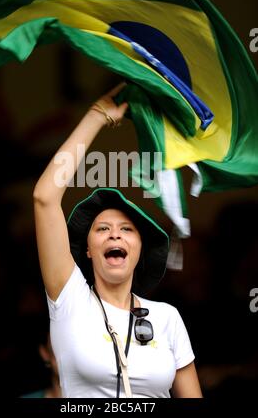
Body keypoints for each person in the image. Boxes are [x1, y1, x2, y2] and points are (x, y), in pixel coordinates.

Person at [33, 83, 202, 398]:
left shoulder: (167, 317)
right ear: (87, 249)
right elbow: (45, 197)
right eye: (102, 229)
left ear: (139, 249)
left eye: (126, 229)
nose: (114, 233)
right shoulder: (69, 301)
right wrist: (96, 117)